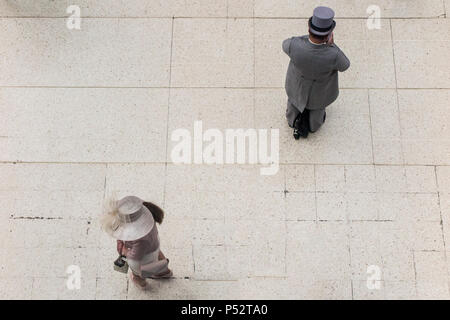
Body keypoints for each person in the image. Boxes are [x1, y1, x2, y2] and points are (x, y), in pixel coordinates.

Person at [282, 6, 350, 139]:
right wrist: (331, 45)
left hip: (296, 87)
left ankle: (292, 121)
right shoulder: (334, 54)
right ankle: (313, 126)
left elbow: (284, 44)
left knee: (293, 104)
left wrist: (307, 38)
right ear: (329, 35)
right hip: (320, 93)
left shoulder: (294, 45)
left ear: (309, 29)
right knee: (317, 111)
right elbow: (345, 66)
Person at [101, 195, 172, 289]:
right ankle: (164, 271)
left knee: (139, 272)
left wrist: (125, 250)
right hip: (154, 244)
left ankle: (141, 283)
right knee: (158, 255)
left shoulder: (140, 239)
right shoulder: (148, 216)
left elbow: (136, 255)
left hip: (144, 256)